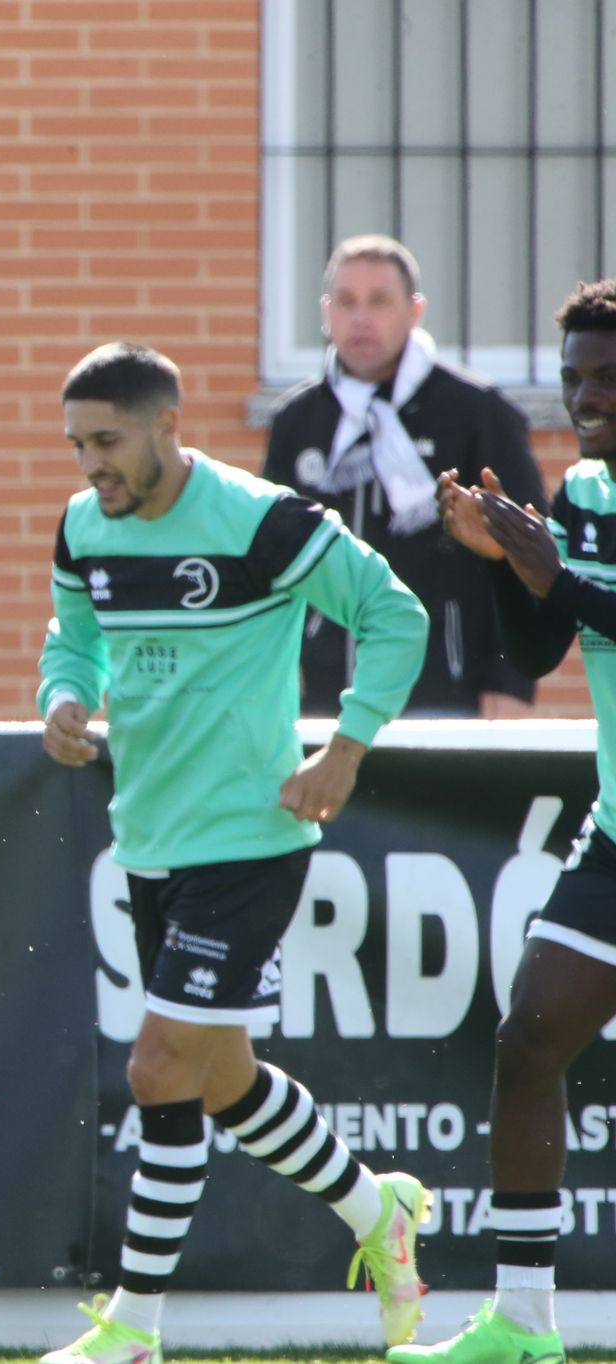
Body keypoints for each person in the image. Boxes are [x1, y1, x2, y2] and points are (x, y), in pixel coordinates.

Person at [37, 342, 432, 1360]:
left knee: (158, 1066)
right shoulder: (83, 527)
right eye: (77, 443)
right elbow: (70, 637)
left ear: (167, 425)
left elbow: (392, 614)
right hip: (149, 838)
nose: (90, 464)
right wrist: (63, 697)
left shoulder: (265, 520)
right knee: (221, 1080)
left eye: (108, 440)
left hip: (251, 839)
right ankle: (372, 1208)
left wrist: (342, 748)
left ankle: (131, 1329)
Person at [392, 279, 616, 1362]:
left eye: (604, 375)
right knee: (529, 1035)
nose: (583, 395)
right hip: (615, 835)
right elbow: (536, 652)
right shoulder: (585, 489)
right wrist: (496, 567)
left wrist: (550, 569)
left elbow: (583, 593)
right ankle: (522, 1323)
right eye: (571, 375)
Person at [263, 233, 546, 718]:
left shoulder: (477, 413)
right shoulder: (298, 420)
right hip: (322, 697)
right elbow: (269, 559)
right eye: (346, 302)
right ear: (326, 313)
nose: (361, 318)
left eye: (379, 301)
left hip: (445, 693)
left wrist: (511, 680)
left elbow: (527, 554)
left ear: (414, 312)